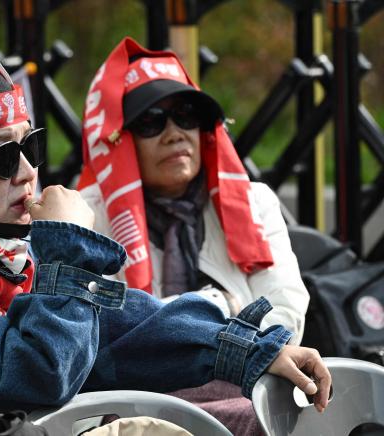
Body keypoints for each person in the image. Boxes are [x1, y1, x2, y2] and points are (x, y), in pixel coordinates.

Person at [0, 50, 330, 435]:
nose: (29, 172)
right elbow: (39, 373)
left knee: (251, 413)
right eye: (3, 155)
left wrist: (255, 351)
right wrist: (72, 245)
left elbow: (126, 323)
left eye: (30, 146)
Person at [77, 37, 311, 435]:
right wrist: (226, 309)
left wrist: (195, 333)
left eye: (186, 115)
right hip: (136, 402)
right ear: (117, 142)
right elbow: (99, 338)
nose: (174, 134)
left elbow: (286, 315)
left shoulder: (253, 201)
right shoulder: (83, 216)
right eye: (151, 121)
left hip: (248, 383)